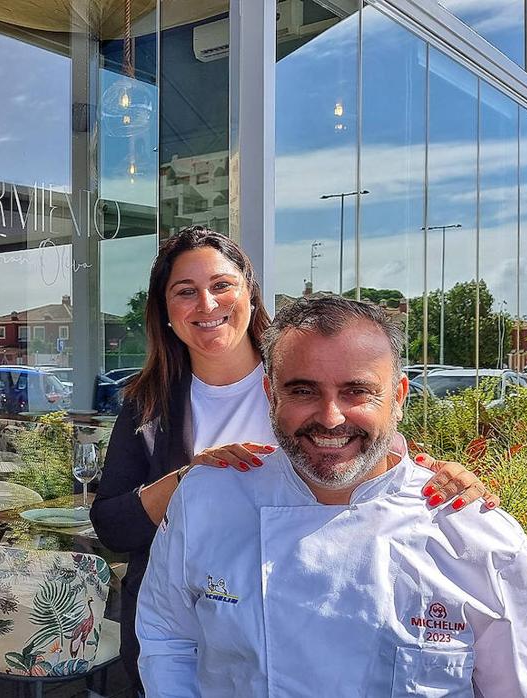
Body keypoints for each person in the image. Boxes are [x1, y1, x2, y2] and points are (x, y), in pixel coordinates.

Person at [89, 226, 495, 693]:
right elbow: (113, 527)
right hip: (190, 633)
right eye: (186, 291)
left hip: (326, 621)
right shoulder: (149, 405)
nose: (206, 304)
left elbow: (385, 465)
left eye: (222, 285)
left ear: (249, 292)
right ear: (165, 311)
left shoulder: (311, 376)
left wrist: (449, 481)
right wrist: (190, 478)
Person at [135, 295, 527, 695]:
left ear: (398, 397)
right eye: (303, 391)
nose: (331, 418)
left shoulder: (474, 534)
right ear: (270, 395)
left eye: (357, 391)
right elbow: (167, 638)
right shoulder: (208, 500)